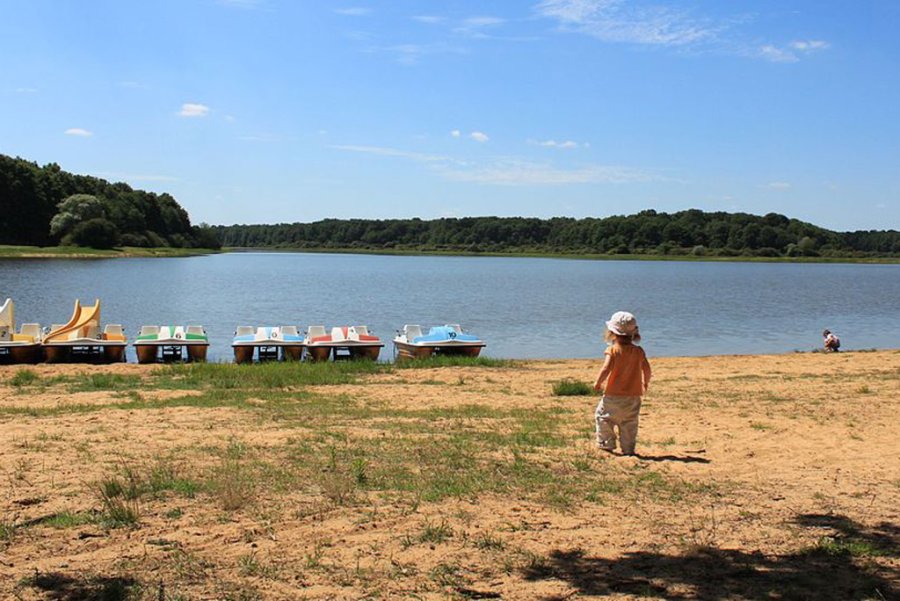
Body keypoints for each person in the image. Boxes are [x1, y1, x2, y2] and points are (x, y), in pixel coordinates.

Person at [593, 311, 652, 456]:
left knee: (603, 417)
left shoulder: (612, 350)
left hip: (613, 395)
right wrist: (645, 382)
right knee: (629, 423)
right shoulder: (638, 351)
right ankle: (628, 449)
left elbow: (606, 368)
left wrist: (597, 382)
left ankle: (606, 444)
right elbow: (647, 368)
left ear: (612, 332)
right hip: (633, 396)